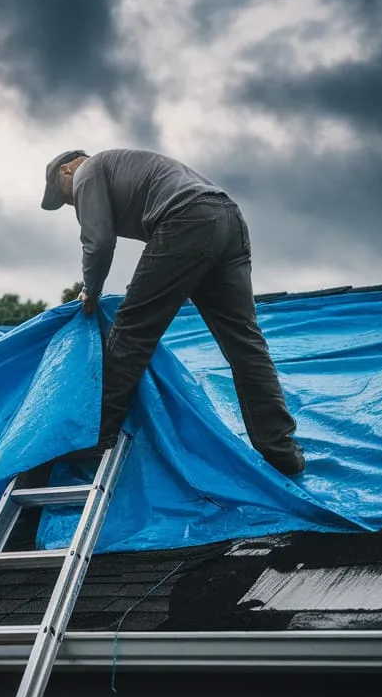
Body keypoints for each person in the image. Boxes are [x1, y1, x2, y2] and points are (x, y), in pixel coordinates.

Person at [40, 148, 305, 477]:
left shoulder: (87, 172)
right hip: (228, 219)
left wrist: (90, 291)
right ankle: (281, 450)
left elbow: (99, 241)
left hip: (186, 219)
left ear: (65, 170)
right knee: (245, 344)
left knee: (131, 331)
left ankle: (97, 438)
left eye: (65, 199)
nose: (72, 206)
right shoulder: (121, 168)